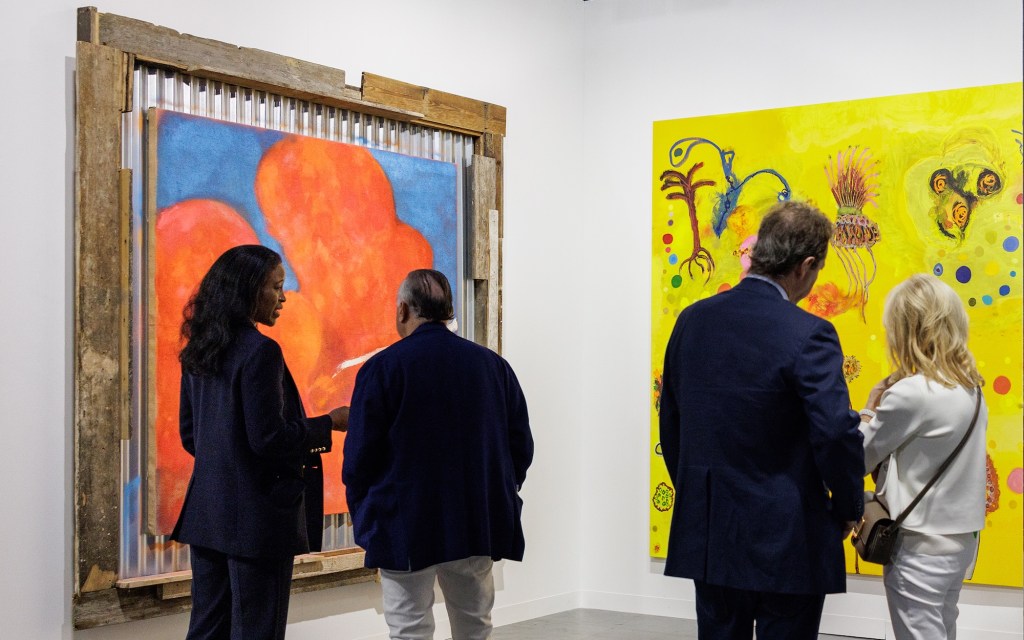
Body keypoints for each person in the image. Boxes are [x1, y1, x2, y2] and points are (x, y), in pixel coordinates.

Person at [658, 200, 865, 639]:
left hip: (712, 531)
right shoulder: (810, 333)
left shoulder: (691, 322)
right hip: (789, 535)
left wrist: (699, 493)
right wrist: (848, 506)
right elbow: (835, 433)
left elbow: (671, 421)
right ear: (806, 265)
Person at [343, 269, 534, 640]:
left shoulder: (382, 369)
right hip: (476, 521)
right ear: (448, 310)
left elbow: (359, 459)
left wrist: (366, 515)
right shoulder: (493, 367)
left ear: (402, 310)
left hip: (403, 525)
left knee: (410, 629)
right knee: (475, 626)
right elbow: (520, 445)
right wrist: (498, 490)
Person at [171, 245, 348, 640]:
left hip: (208, 513)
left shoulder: (201, 348)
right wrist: (329, 424)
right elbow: (268, 438)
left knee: (207, 629)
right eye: (276, 287)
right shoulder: (261, 352)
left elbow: (190, 435)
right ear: (248, 290)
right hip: (258, 519)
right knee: (258, 631)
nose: (283, 298)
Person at [858, 274, 987, 640]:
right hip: (960, 543)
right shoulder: (971, 390)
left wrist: (869, 408)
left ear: (906, 328)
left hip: (918, 546)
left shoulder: (911, 393)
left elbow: (858, 458)